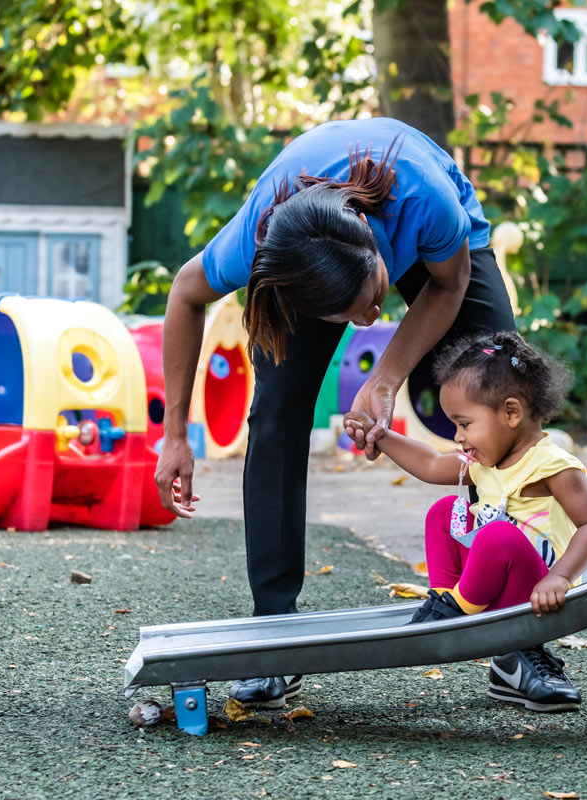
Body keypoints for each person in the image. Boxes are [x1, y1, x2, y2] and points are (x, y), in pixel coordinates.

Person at [155, 117, 516, 709]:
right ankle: (274, 638)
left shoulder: (426, 198)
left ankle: (518, 636)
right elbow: (185, 293)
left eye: (373, 301)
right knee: (276, 413)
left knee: (503, 399)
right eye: (349, 317)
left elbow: (449, 286)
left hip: (440, 239)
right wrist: (174, 436)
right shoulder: (259, 238)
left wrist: (384, 377)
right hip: (309, 251)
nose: (369, 321)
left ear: (378, 250)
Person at [343, 331, 587, 712]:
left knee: (498, 534)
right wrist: (380, 436)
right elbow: (431, 464)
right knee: (444, 512)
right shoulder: (484, 460)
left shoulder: (551, 464)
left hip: (536, 591)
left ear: (511, 413)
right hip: (490, 580)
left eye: (464, 424)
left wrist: (560, 577)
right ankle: (448, 601)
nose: (458, 436)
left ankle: (468, 618)